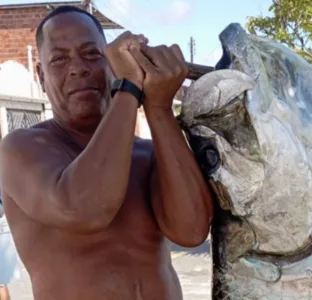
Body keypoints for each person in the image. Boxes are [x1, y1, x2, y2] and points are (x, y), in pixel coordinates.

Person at [0, 5, 213, 300]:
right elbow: (84, 209)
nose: (78, 68)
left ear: (112, 64)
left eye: (91, 54)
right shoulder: (22, 148)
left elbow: (191, 232)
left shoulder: (147, 153)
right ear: (40, 74)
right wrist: (128, 89)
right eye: (59, 59)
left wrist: (159, 106)